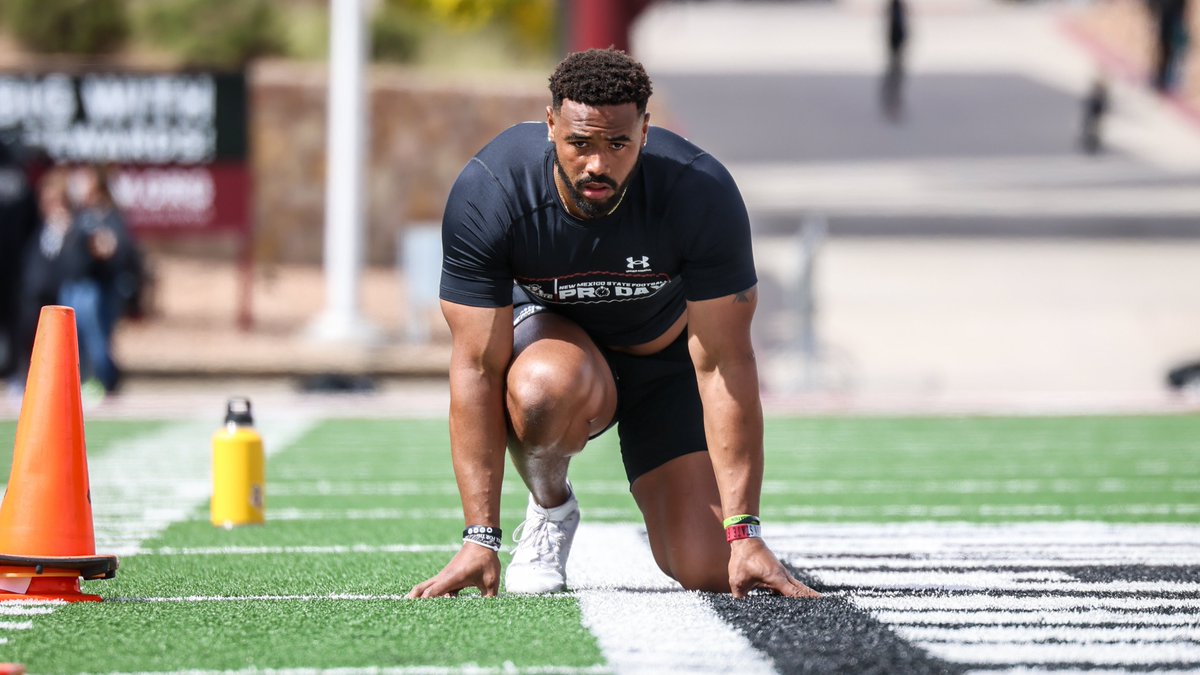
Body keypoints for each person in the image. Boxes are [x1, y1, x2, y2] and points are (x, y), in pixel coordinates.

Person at [407, 49, 821, 600]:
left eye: (617, 144)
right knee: (540, 391)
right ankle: (550, 507)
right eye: (580, 143)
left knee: (709, 568)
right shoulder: (492, 190)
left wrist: (744, 532)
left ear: (645, 132)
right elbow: (477, 366)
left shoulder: (700, 191)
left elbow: (725, 362)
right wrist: (480, 537)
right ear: (550, 124)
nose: (597, 165)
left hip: (665, 362)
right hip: (557, 352)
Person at [59, 164, 139, 397]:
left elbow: (119, 248)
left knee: (97, 337)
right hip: (74, 283)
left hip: (97, 287)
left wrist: (105, 247)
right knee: (76, 339)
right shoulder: (80, 215)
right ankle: (82, 380)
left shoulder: (110, 216)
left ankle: (104, 380)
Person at [11, 169, 73, 393]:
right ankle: (22, 378)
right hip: (34, 294)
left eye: (54, 201)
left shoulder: (71, 227)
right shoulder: (36, 227)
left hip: (61, 296)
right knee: (28, 334)